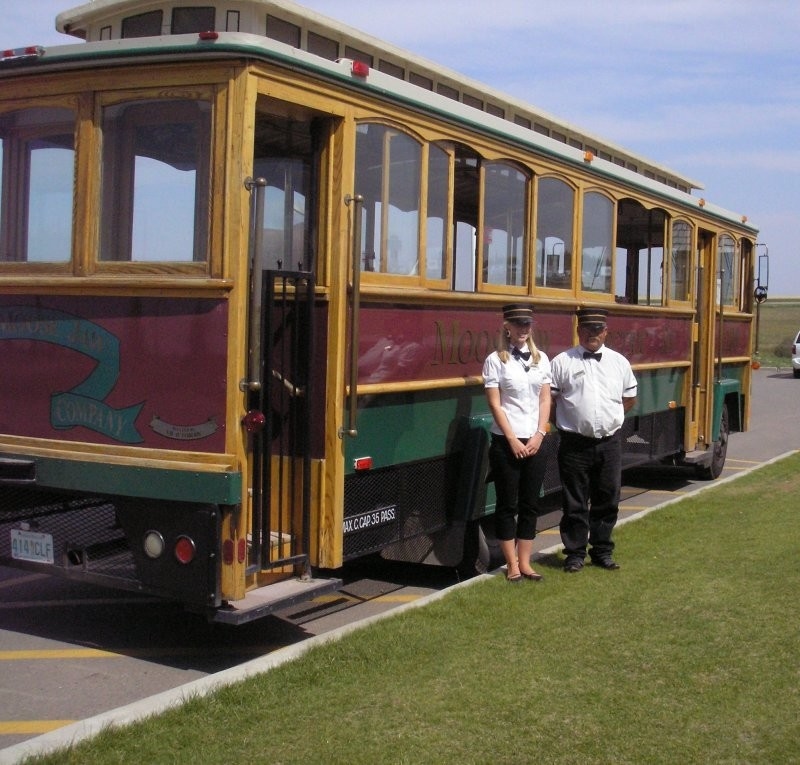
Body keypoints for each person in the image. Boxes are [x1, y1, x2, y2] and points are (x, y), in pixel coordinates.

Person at [550, 307, 637, 572]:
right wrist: (568, 422)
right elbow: (550, 401)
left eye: (597, 329)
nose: (592, 334)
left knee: (607, 499)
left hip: (609, 443)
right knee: (574, 502)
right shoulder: (562, 362)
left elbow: (629, 398)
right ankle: (575, 554)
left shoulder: (619, 362)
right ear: (579, 330)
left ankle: (601, 552)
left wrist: (611, 419)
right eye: (587, 329)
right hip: (574, 444)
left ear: (606, 332)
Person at [482, 304, 552, 582]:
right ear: (507, 327)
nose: (523, 329)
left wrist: (540, 434)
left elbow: (545, 399)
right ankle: (511, 565)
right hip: (506, 442)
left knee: (530, 503)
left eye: (527, 324)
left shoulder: (541, 359)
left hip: (535, 440)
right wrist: (511, 439)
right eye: (518, 324)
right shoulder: (495, 360)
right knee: (506, 504)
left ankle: (526, 563)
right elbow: (495, 404)